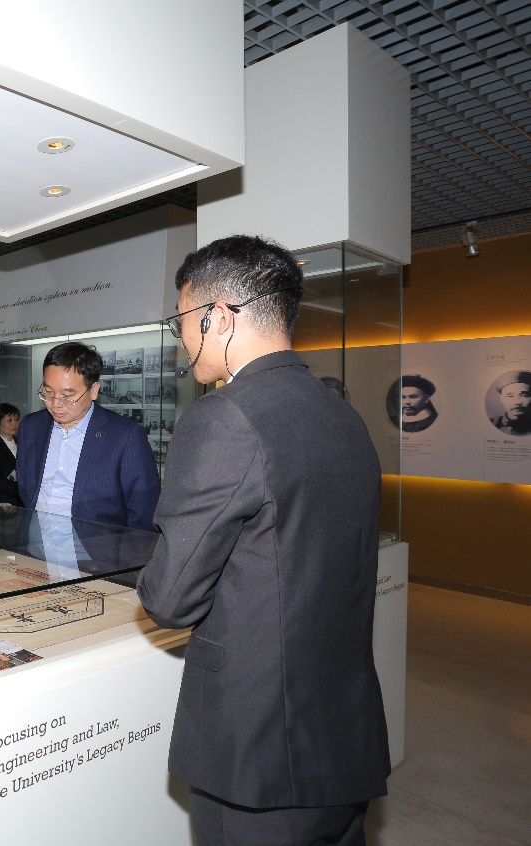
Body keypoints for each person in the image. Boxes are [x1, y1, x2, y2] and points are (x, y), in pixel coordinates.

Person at [136, 235, 389, 845]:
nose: (181, 337)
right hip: (341, 730)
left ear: (218, 318)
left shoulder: (224, 418)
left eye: (182, 319)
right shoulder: (342, 414)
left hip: (260, 746)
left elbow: (170, 598)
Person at [15, 342, 159, 530]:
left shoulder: (126, 436)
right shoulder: (31, 426)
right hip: (37, 541)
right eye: (48, 392)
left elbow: (143, 514)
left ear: (93, 391)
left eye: (67, 396)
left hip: (96, 545)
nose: (55, 404)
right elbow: (26, 489)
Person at [491, 371, 531, 435]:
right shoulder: (492, 423)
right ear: (501, 398)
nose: (517, 402)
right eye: (510, 396)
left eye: (524, 395)